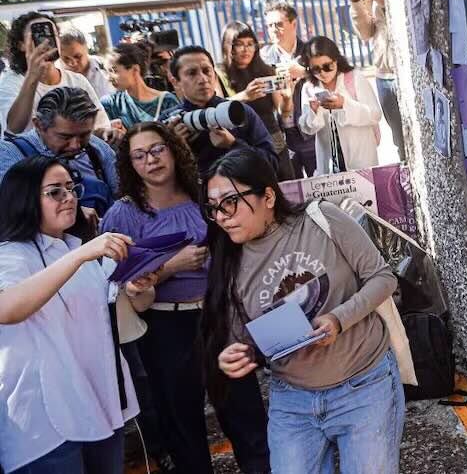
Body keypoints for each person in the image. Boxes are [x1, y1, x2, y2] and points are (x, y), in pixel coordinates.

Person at [201, 148, 403, 474]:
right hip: (292, 401)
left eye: (230, 202)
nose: (222, 216)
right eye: (213, 208)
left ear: (267, 196)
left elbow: (382, 278)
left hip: (364, 386)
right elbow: (242, 339)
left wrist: (339, 319)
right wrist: (233, 356)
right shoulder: (228, 262)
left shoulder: (320, 219)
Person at [101, 123, 271, 474]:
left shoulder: (203, 195)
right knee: (182, 424)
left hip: (219, 315)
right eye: (140, 155)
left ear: (174, 149)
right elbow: (114, 282)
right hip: (164, 324)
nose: (151, 160)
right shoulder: (124, 213)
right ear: (129, 163)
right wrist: (170, 266)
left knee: (245, 413)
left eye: (158, 149)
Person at [0, 155, 141, 473]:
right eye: (55, 191)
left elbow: (132, 307)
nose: (69, 197)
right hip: (44, 422)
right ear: (24, 199)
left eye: (71, 188)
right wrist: (81, 255)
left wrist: (140, 285)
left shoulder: (78, 249)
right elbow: (7, 309)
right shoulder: (9, 254)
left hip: (99, 399)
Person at [0, 87, 118, 225]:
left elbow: (122, 196)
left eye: (84, 135)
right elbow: (11, 214)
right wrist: (74, 213)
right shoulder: (10, 155)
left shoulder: (98, 149)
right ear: (38, 125)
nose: (75, 145)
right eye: (64, 137)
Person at [165, 45, 277, 174]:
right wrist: (174, 147)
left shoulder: (239, 112)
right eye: (192, 73)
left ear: (215, 75)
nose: (203, 79)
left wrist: (234, 145)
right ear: (175, 81)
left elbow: (272, 162)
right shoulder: (170, 124)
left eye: (207, 71)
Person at [0, 11, 111, 135]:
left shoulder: (77, 80)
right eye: (36, 36)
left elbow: (98, 125)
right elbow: (14, 128)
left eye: (51, 35)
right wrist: (32, 76)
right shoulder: (10, 81)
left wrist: (107, 133)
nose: (45, 42)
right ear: (21, 45)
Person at [220, 22, 296, 180]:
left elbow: (284, 113)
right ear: (228, 46)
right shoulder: (219, 73)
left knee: (287, 189)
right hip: (241, 143)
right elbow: (216, 106)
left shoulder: (266, 71)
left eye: (250, 44)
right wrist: (244, 96)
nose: (246, 49)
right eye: (239, 44)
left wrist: (287, 98)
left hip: (273, 140)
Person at [298, 36, 383, 175]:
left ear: (336, 60)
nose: (323, 73)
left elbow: (375, 114)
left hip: (361, 158)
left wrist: (344, 104)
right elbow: (307, 129)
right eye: (316, 69)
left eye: (327, 66)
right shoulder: (309, 88)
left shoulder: (354, 78)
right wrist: (313, 111)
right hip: (330, 165)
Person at [347, 0, 406, 162]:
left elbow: (408, 22)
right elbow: (365, 33)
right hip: (384, 76)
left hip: (403, 74)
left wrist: (384, 2)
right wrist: (357, 1)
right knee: (400, 140)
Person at [261, 2, 314, 178]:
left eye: (278, 24)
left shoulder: (311, 51)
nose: (274, 29)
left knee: (321, 183)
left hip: (310, 131)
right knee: (292, 191)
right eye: (269, 25)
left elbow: (332, 74)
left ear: (294, 24)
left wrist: (306, 72)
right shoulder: (263, 57)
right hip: (281, 134)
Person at [101, 43, 180, 128]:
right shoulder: (111, 104)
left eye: (114, 71)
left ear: (135, 69)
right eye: (107, 72)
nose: (109, 78)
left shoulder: (166, 101)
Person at [59, 30, 113, 99]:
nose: (72, 63)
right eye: (66, 58)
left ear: (86, 49)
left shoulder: (106, 68)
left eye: (77, 56)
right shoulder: (59, 78)